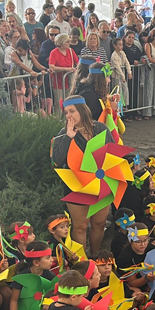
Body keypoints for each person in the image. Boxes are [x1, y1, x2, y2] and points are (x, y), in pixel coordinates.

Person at [52, 96, 114, 251]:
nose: (68, 115)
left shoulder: (100, 128)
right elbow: (57, 160)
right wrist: (68, 137)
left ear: (82, 110)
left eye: (72, 111)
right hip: (76, 185)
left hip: (100, 183)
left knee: (99, 223)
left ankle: (95, 255)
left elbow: (114, 154)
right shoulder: (64, 133)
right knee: (80, 226)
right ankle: (81, 261)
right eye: (66, 112)